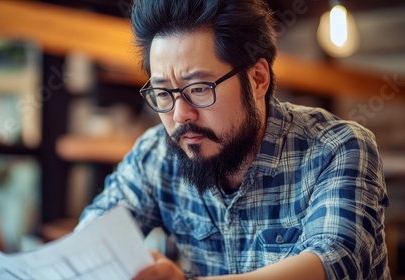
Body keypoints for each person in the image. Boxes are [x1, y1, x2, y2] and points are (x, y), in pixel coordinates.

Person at [75, 0, 391, 279]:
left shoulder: (338, 148)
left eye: (198, 88)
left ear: (257, 80)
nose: (181, 115)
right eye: (163, 93)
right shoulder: (156, 155)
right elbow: (91, 239)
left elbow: (331, 263)